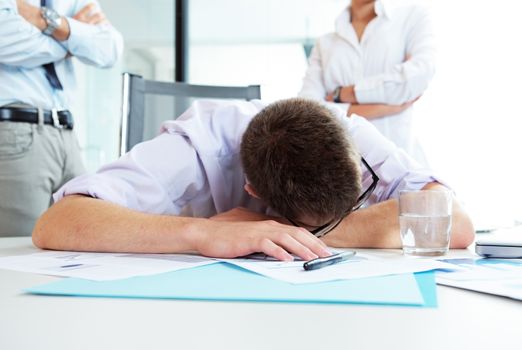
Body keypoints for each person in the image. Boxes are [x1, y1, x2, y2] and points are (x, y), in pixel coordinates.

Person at [32, 98, 475, 261]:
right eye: (303, 221)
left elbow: (456, 223)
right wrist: (202, 233)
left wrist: (299, 234)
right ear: (254, 190)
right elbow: (58, 222)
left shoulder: (353, 134)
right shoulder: (199, 144)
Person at [0, 0, 123, 236]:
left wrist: (46, 21)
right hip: (16, 132)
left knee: (82, 240)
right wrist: (73, 40)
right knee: (16, 252)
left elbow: (110, 49)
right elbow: (5, 40)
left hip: (66, 134)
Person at [298, 0, 436, 165]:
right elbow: (307, 109)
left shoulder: (412, 17)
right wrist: (386, 107)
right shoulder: (325, 44)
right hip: (344, 171)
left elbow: (416, 78)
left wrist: (344, 94)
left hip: (403, 166)